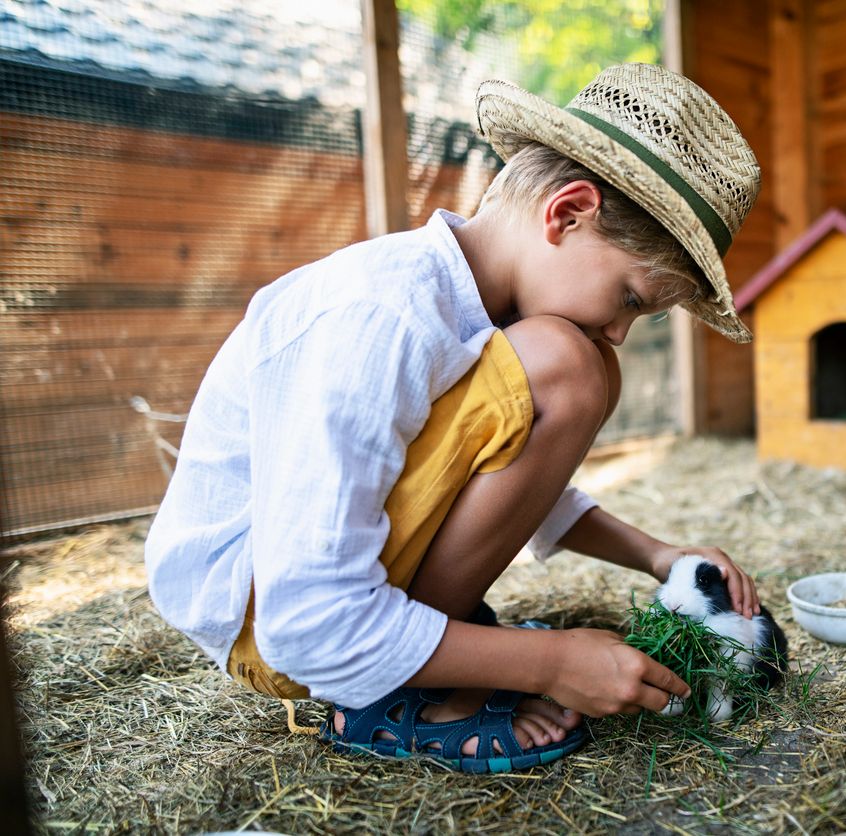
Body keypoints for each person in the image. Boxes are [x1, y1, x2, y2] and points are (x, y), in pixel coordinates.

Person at [144, 63, 763, 773]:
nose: (620, 331)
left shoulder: (471, 311)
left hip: (312, 602)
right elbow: (304, 626)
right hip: (272, 622)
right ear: (566, 213)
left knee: (577, 363)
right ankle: (394, 694)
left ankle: (432, 644)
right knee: (571, 362)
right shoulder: (383, 314)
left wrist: (656, 555)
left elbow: (482, 480)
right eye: (629, 299)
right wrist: (550, 663)